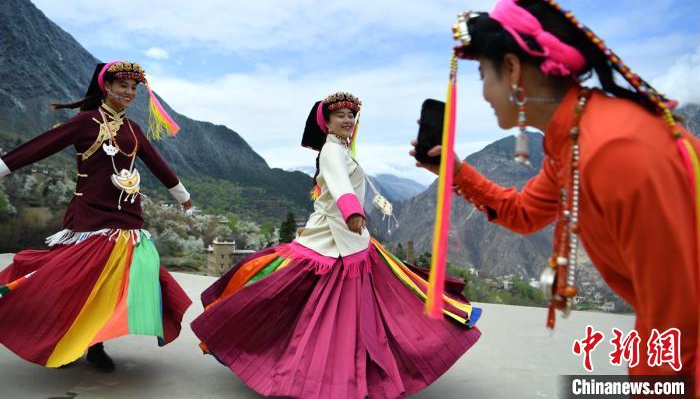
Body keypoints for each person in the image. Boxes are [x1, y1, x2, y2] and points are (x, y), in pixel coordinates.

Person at [412, 0, 698, 387]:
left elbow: (678, 323)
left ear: (512, 69)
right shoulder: (577, 140)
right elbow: (523, 213)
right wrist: (456, 171)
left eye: (483, 77)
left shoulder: (613, 151)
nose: (484, 94)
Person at [191, 92, 481, 399]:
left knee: (355, 304)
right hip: (330, 237)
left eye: (351, 115)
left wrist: (353, 214)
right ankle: (319, 369)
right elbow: (340, 182)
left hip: (348, 237)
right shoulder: (331, 150)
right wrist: (352, 210)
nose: (347, 120)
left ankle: (348, 369)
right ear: (327, 123)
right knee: (321, 302)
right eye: (340, 115)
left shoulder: (341, 149)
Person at [0, 61, 192, 371]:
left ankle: (95, 344)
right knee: (79, 281)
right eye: (123, 86)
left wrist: (183, 196)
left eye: (133, 88)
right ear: (107, 87)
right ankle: (67, 340)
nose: (129, 92)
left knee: (110, 282)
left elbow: (157, 164)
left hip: (126, 216)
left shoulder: (133, 130)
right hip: (89, 216)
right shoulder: (85, 122)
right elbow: (39, 147)